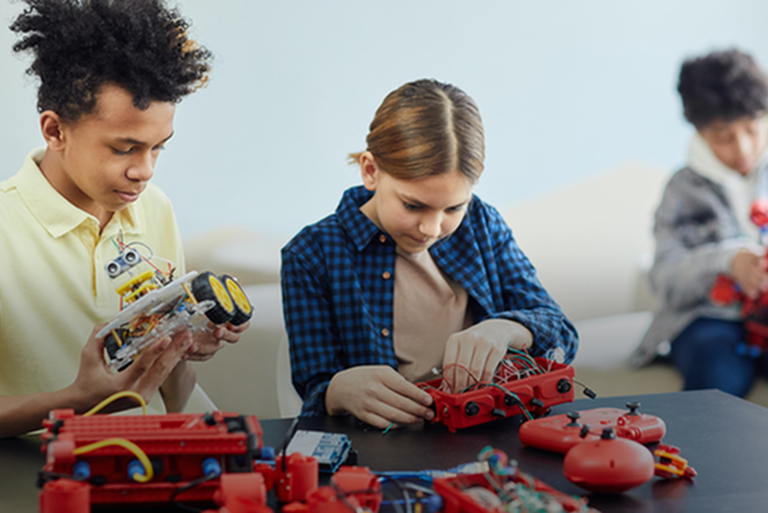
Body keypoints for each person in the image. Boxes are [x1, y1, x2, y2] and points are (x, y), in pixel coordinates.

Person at [0, 0, 247, 438]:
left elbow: (171, 396)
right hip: (40, 471)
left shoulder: (155, 209)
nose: (145, 171)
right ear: (55, 131)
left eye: (159, 147)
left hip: (153, 459)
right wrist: (75, 400)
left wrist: (183, 341)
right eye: (123, 149)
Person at [281, 79, 578, 428]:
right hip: (382, 446)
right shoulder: (311, 255)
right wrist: (337, 391)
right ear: (370, 171)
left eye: (453, 208)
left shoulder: (482, 223)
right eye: (413, 205)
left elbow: (563, 336)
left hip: (487, 434)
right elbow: (313, 392)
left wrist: (507, 328)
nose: (432, 229)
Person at [630, 49, 768, 397]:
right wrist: (729, 261)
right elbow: (664, 278)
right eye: (724, 137)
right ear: (700, 132)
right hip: (706, 319)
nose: (743, 149)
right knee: (716, 379)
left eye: (752, 129)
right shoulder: (682, 190)